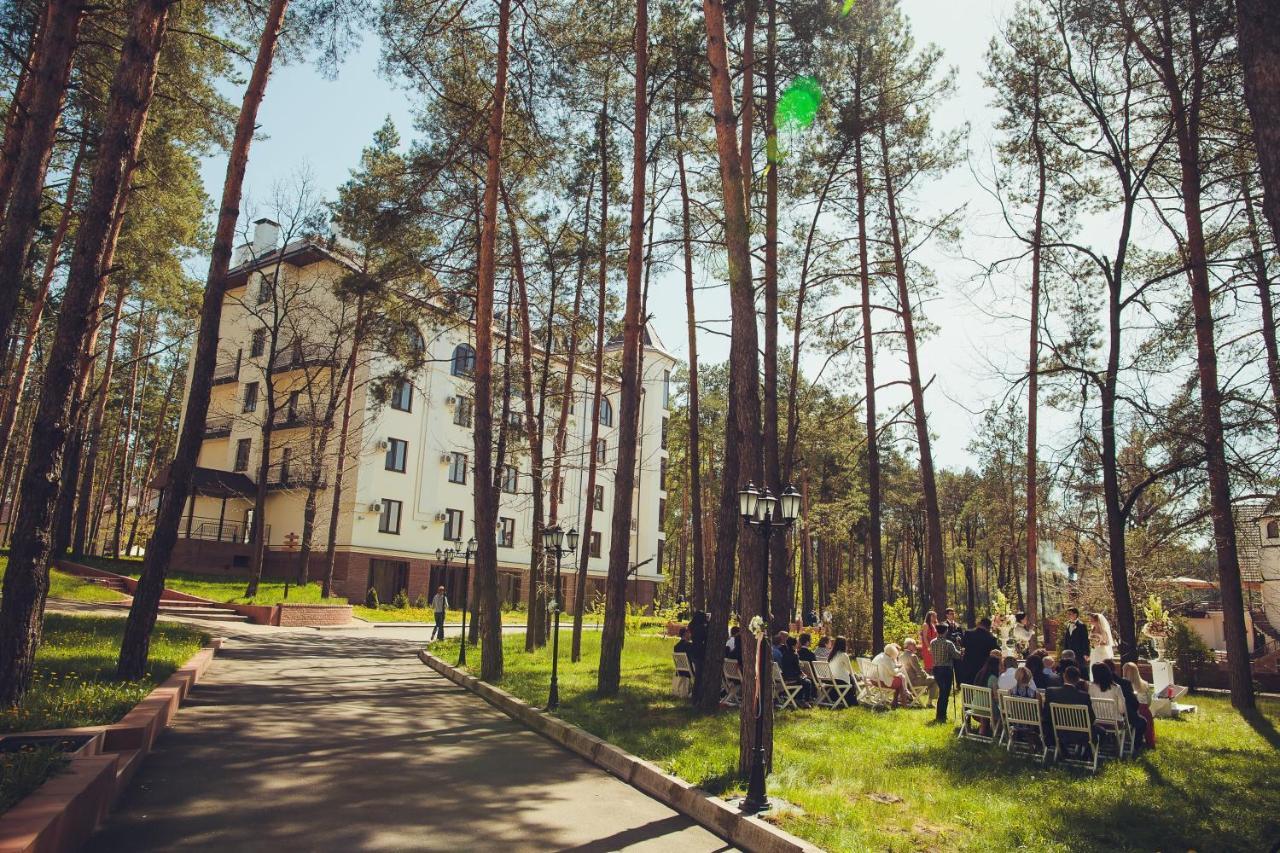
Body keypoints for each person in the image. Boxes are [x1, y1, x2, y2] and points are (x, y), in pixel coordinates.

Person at [1043, 666, 1096, 754]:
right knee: (1101, 732)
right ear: (1078, 679)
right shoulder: (1084, 696)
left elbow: (1046, 713)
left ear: (1064, 676)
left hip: (1056, 731)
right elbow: (1091, 719)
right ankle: (1087, 754)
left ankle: (1063, 751)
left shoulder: (1051, 692)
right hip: (1081, 734)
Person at [929, 626, 963, 723]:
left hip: (936, 668)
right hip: (946, 669)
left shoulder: (932, 642)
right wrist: (959, 646)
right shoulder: (948, 643)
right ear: (945, 631)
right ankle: (942, 715)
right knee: (945, 693)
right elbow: (957, 656)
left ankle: (940, 715)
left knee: (942, 691)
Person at [1122, 661, 1156, 748]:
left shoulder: (1123, 685)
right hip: (1144, 711)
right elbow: (1149, 701)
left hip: (1130, 711)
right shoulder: (1145, 684)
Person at [959, 618, 999, 685]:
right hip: (982, 669)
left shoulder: (968, 633)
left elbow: (963, 645)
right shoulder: (991, 638)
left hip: (968, 666)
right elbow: (996, 651)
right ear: (988, 627)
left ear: (979, 624)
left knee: (968, 690)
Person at [871, 643, 912, 708]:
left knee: (899, 680)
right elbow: (893, 673)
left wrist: (896, 667)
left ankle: (896, 702)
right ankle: (903, 703)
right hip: (881, 682)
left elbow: (889, 667)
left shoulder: (880, 656)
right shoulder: (887, 659)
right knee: (900, 681)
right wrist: (900, 669)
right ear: (893, 653)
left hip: (874, 680)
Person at [780, 636, 816, 705]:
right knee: (808, 682)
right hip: (793, 677)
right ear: (794, 645)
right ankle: (806, 701)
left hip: (785, 677)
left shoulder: (784, 654)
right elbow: (797, 669)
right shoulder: (794, 655)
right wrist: (803, 674)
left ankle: (798, 698)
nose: (798, 644)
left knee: (803, 680)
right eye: (797, 643)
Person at [900, 638, 936, 707]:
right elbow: (919, 671)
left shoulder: (901, 656)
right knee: (935, 679)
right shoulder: (912, 656)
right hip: (914, 682)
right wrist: (927, 676)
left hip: (906, 683)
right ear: (909, 645)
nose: (915, 646)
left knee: (931, 678)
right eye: (914, 644)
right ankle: (930, 703)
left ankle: (913, 697)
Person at [1063, 607, 1090, 672]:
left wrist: (1086, 653)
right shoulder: (1068, 624)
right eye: (1067, 614)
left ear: (1075, 615)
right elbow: (1066, 639)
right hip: (1069, 653)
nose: (1068, 615)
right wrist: (1065, 652)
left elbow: (1085, 640)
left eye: (1070, 614)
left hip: (1079, 653)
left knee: (1080, 670)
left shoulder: (1082, 625)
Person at [1088, 613, 1114, 678]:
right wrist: (1092, 643)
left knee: (1101, 668)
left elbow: (1107, 643)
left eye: (1092, 620)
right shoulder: (1092, 629)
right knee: (1093, 666)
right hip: (1094, 651)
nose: (1090, 621)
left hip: (1101, 652)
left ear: (1097, 621)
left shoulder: (1103, 631)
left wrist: (1099, 643)